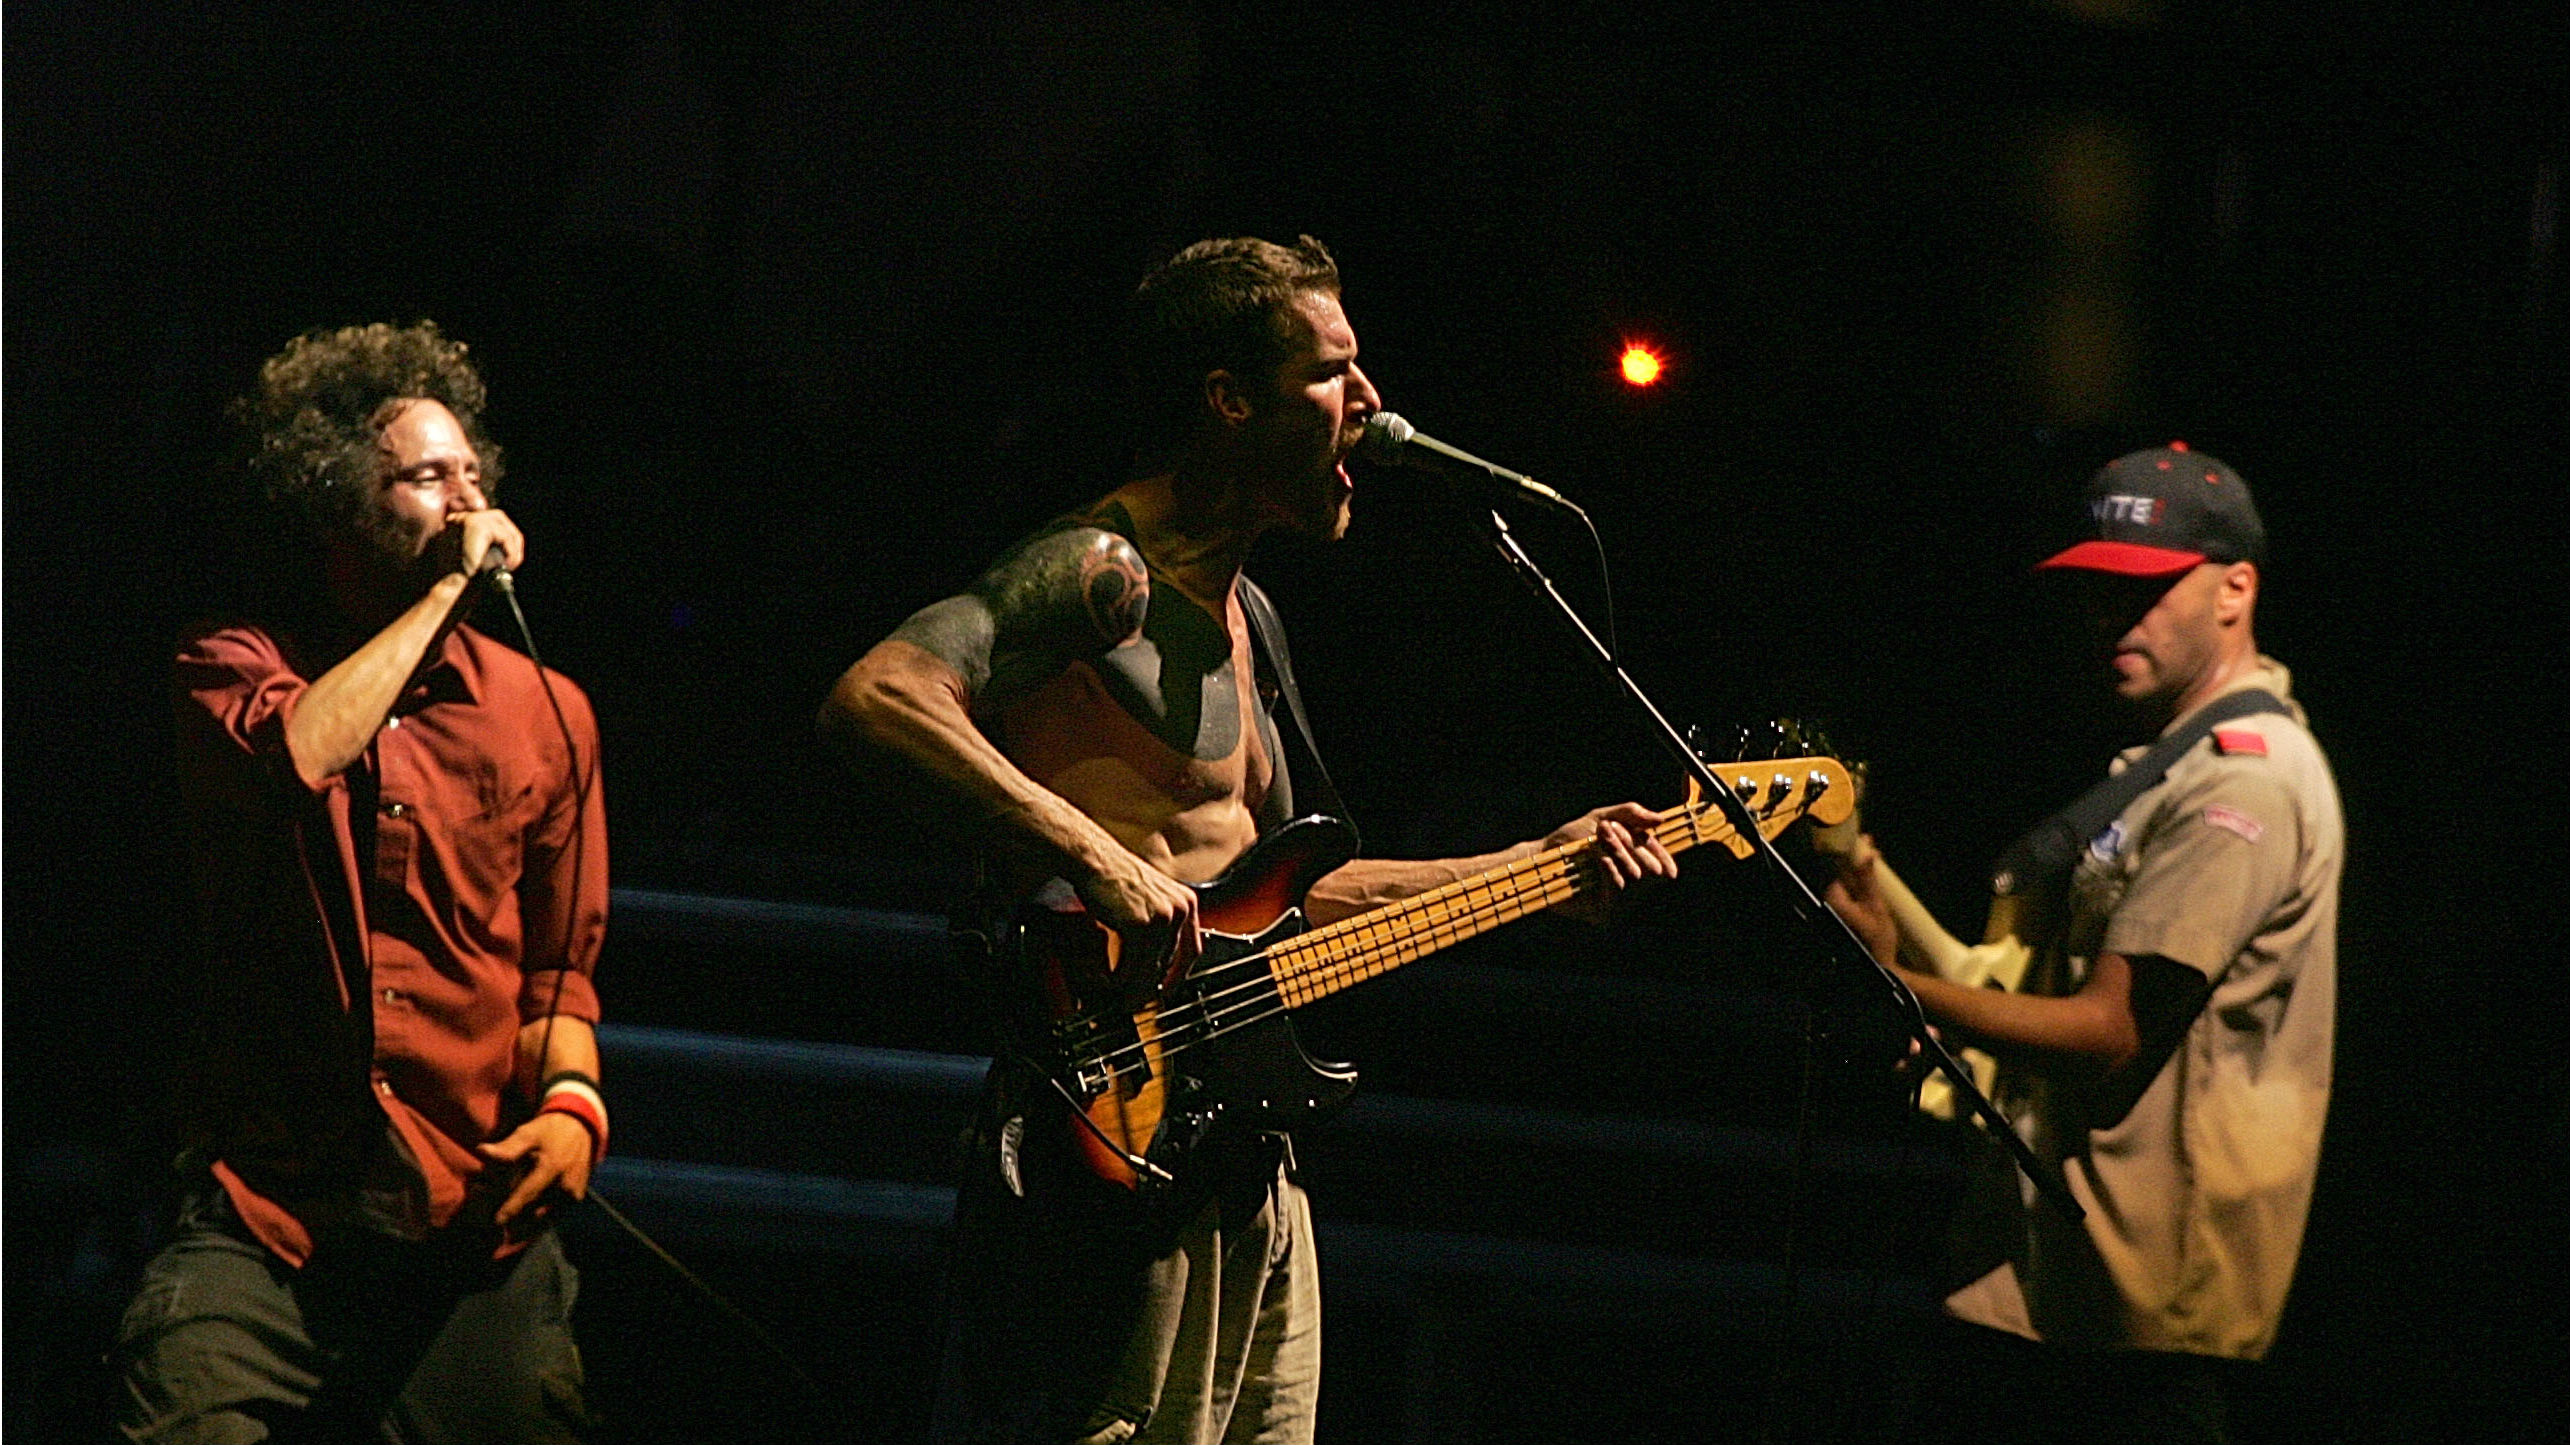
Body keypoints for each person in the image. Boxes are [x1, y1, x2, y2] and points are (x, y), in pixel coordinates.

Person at [822, 235, 1676, 1445]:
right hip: (1102, 1165)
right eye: (1332, 373)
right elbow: (874, 696)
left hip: (1243, 1161)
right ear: (1226, 400)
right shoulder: (1093, 570)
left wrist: (1542, 867)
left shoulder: (1249, 615)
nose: (1371, 406)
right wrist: (1097, 854)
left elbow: (1283, 896)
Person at [112, 322, 609, 1443]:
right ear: (334, 499)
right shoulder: (230, 660)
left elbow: (554, 972)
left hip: (463, 1237)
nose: (466, 502)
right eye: (427, 477)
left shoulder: (547, 711)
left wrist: (575, 1106)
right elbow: (296, 753)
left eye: (472, 473)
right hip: (271, 1218)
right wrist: (441, 599)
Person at [1825, 446, 2341, 1443]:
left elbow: (2106, 1031)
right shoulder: (2166, 766)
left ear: (2235, 588)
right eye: (2100, 584)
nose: (2114, 610)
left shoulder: (2242, 782)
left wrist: (1891, 983)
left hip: (2125, 1334)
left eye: (2145, 584)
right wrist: (1907, 963)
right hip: (2047, 1292)